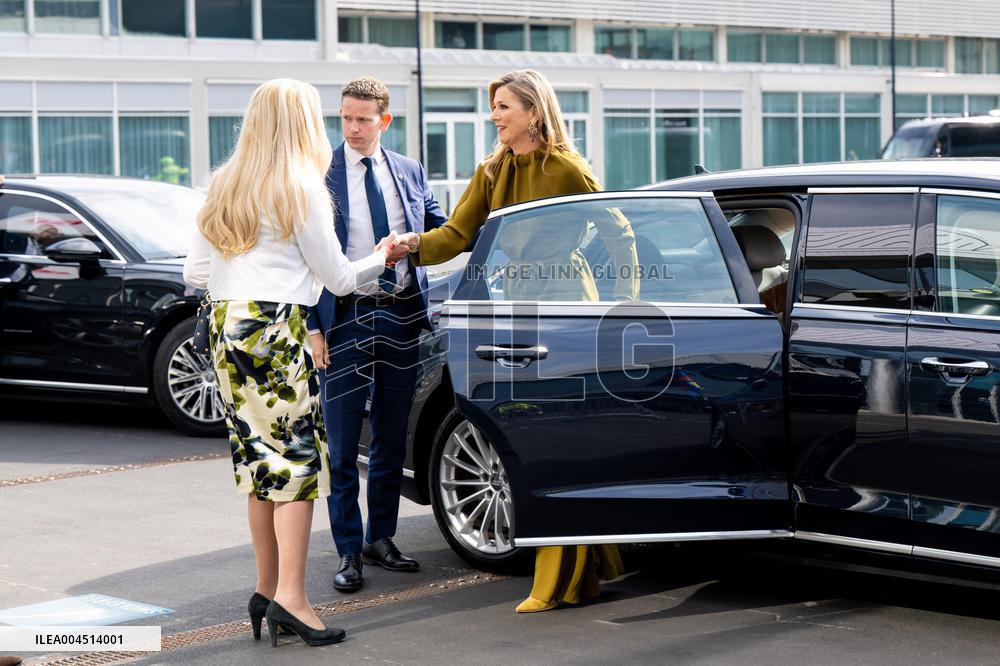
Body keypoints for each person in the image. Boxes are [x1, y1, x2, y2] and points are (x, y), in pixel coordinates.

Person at [395, 69, 634, 612]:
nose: (495, 115)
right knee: (531, 429)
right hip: (516, 303)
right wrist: (410, 245)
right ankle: (584, 567)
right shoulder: (493, 169)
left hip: (568, 300)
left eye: (504, 106)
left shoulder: (567, 168)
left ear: (533, 110)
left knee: (561, 435)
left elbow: (619, 228)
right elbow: (457, 235)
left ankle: (563, 578)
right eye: (494, 107)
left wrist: (624, 302)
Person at [183, 79, 407, 647]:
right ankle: (294, 600)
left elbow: (195, 276)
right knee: (300, 470)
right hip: (276, 326)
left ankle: (265, 589)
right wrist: (382, 255)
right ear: (303, 123)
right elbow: (339, 278)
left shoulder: (223, 184)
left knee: (260, 466)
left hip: (226, 325)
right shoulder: (302, 187)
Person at [305, 77, 447, 594]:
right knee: (342, 444)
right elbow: (306, 261)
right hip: (344, 317)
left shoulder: (408, 170)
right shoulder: (319, 174)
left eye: (363, 118)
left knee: (391, 435)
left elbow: (441, 230)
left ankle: (379, 538)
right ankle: (347, 552)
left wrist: (419, 241)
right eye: (345, 116)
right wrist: (313, 327)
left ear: (384, 121)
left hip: (402, 315)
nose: (352, 127)